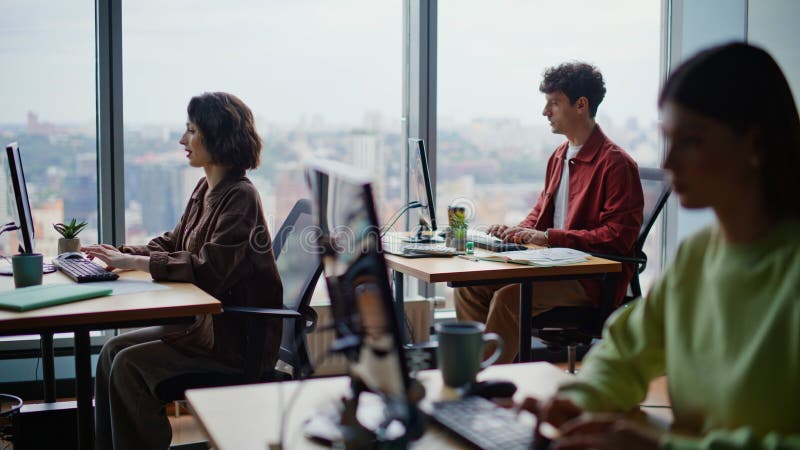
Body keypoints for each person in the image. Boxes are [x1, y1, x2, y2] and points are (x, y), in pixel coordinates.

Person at [523, 42, 800, 449]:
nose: (668, 165)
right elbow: (625, 355)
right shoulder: (699, 255)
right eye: (668, 140)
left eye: (691, 141)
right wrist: (577, 400)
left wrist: (660, 445)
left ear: (754, 145)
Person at [84, 92, 283, 450]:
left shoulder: (240, 197)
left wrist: (135, 264)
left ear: (217, 136)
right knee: (112, 350)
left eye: (191, 131)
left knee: (128, 366)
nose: (182, 140)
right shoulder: (205, 189)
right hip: (204, 329)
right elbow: (174, 243)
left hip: (233, 343)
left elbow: (209, 271)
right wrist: (122, 253)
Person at [455, 62, 644, 363]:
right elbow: (541, 213)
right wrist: (516, 231)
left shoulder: (616, 164)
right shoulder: (559, 155)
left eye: (553, 103)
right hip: (553, 265)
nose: (545, 112)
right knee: (469, 287)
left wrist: (547, 237)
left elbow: (617, 238)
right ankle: (470, 370)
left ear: (581, 105)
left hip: (591, 278)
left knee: (509, 299)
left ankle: (487, 386)